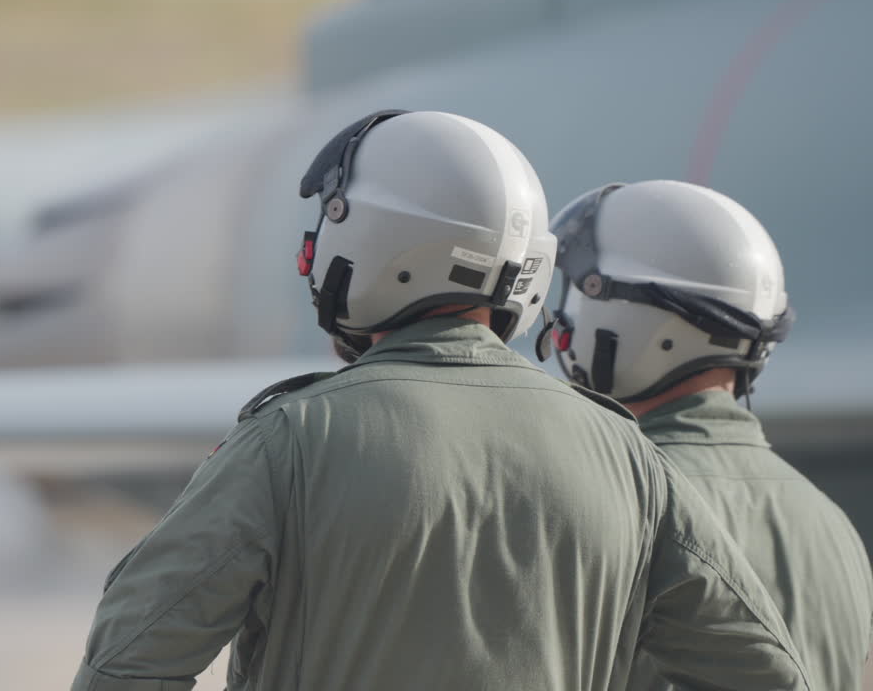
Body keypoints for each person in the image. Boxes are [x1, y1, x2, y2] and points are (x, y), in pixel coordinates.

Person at [71, 111, 813, 690]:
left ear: (376, 240)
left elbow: (131, 659)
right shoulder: (629, 460)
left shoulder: (291, 440)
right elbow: (765, 673)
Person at [544, 179, 873, 690]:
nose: (561, 321)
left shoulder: (607, 499)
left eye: (576, 291)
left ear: (626, 315)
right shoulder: (833, 525)